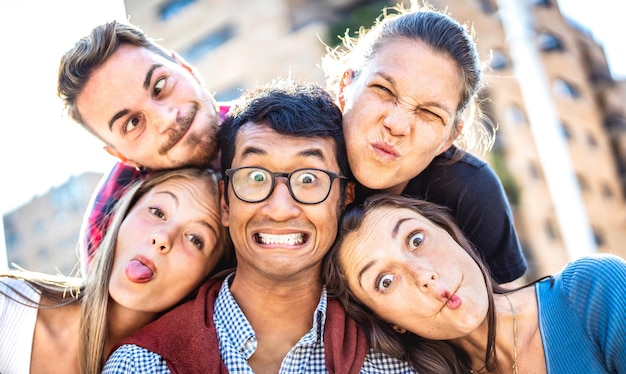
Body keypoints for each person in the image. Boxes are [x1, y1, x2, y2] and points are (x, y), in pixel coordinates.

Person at [103, 78, 417, 373]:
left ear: (344, 198)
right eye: (255, 177)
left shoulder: (391, 360)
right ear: (226, 202)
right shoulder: (143, 364)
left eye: (309, 179)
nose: (280, 208)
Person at [321, 2, 526, 284]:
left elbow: (502, 317)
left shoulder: (469, 193)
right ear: (346, 87)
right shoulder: (294, 154)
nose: (397, 125)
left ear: (449, 139)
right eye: (383, 89)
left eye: (430, 113)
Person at [324, 193, 626, 373]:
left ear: (452, 234)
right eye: (386, 281)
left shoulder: (593, 290)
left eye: (416, 240)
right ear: (388, 322)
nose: (423, 276)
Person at [0, 167, 231, 373]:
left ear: (208, 278)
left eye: (194, 239)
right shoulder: (6, 309)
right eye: (157, 212)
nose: (162, 238)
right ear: (123, 215)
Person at [57, 20, 228, 270]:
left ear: (187, 69)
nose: (167, 118)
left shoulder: (282, 127)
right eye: (132, 123)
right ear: (122, 156)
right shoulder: (108, 234)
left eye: (160, 86)